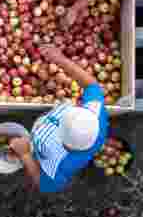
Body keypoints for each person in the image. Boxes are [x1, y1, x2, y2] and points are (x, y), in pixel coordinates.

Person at [7, 44, 109, 193]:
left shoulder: (61, 165)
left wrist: (25, 154)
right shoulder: (95, 112)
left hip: (36, 151)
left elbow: (44, 185)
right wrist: (60, 60)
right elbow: (92, 85)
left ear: (63, 142)